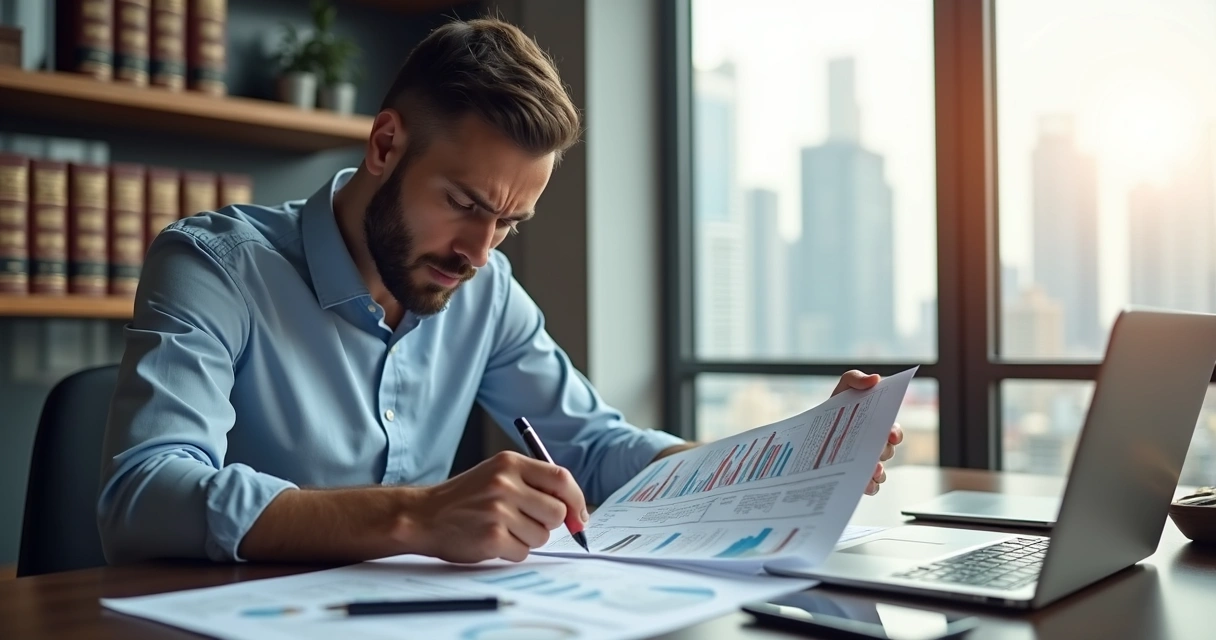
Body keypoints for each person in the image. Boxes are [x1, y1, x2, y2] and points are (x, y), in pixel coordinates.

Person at [97, 17, 903, 566]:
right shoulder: (215, 266)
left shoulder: (485, 291)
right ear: (386, 144)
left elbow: (595, 448)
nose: (478, 252)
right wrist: (416, 516)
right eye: (464, 204)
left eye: (509, 223)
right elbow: (144, 493)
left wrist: (786, 460)